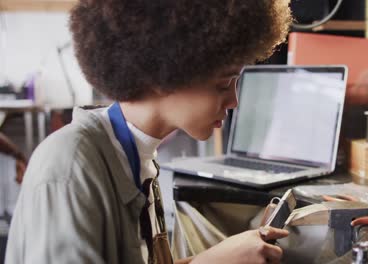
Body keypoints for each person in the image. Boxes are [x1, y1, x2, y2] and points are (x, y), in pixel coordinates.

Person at [5, 0, 292, 263]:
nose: (234, 101)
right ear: (163, 74)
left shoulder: (137, 158)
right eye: (222, 84)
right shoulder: (68, 166)